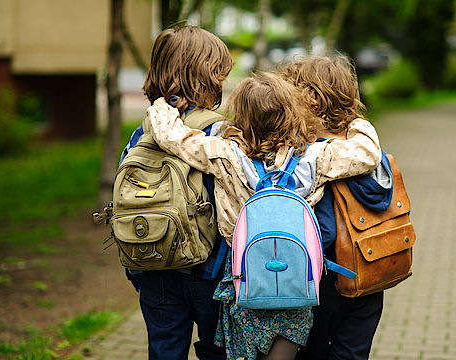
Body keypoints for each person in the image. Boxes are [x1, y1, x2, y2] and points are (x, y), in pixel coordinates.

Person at [144, 71, 383, 360]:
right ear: (292, 113)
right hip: (296, 285)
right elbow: (368, 153)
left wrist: (161, 104)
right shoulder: (313, 158)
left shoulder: (225, 156)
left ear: (240, 117)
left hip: (244, 281)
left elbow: (173, 137)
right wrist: (354, 119)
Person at [119, 24, 233, 360]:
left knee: (165, 349)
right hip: (210, 269)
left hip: (153, 263)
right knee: (217, 351)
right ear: (208, 77)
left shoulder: (144, 132)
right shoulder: (219, 132)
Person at [279, 55, 392, 360]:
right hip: (370, 272)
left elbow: (322, 231)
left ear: (307, 99)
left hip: (321, 282)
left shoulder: (308, 156)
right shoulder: (369, 150)